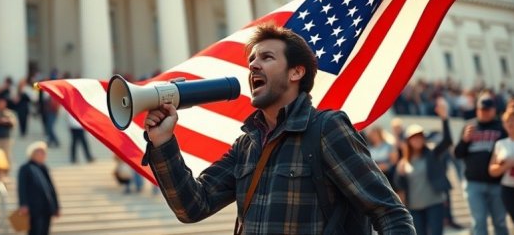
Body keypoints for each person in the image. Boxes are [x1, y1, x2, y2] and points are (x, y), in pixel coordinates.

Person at [143, 24, 415, 234]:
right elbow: (192, 206)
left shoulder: (326, 129)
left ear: (296, 73)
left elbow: (391, 214)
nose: (253, 64)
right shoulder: (247, 146)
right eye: (252, 59)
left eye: (267, 57)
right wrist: (163, 142)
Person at [394, 97, 453, 235]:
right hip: (415, 207)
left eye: (420, 136)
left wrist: (444, 119)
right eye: (414, 137)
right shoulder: (404, 161)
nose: (417, 139)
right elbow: (399, 184)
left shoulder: (432, 153)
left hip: (434, 203)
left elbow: (447, 141)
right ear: (408, 141)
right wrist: (400, 173)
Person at [454, 92, 508, 235]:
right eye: (481, 109)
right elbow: (458, 154)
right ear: (477, 109)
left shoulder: (501, 127)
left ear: (493, 110)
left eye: (487, 109)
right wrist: (465, 140)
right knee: (479, 222)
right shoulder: (469, 126)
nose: (483, 112)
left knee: (500, 221)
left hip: (497, 182)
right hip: (474, 183)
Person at [17, 141, 60, 235]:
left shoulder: (44, 168)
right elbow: (22, 187)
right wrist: (23, 204)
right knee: (35, 231)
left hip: (46, 208)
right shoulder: (25, 168)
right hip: (34, 209)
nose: (44, 155)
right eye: (41, 152)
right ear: (33, 153)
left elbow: (51, 188)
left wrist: (56, 206)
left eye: (44, 152)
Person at [489, 105, 514, 231]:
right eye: (507, 121)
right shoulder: (500, 144)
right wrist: (508, 164)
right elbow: (492, 169)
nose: (509, 123)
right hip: (509, 190)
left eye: (513, 120)